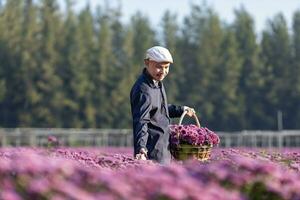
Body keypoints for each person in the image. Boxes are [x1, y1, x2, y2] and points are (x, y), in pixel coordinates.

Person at [130, 46, 195, 164]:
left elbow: (160, 109)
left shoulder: (157, 83)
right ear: (147, 63)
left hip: (164, 148)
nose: (163, 72)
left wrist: (181, 109)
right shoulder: (143, 90)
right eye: (159, 67)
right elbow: (141, 121)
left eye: (166, 67)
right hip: (153, 151)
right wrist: (141, 149)